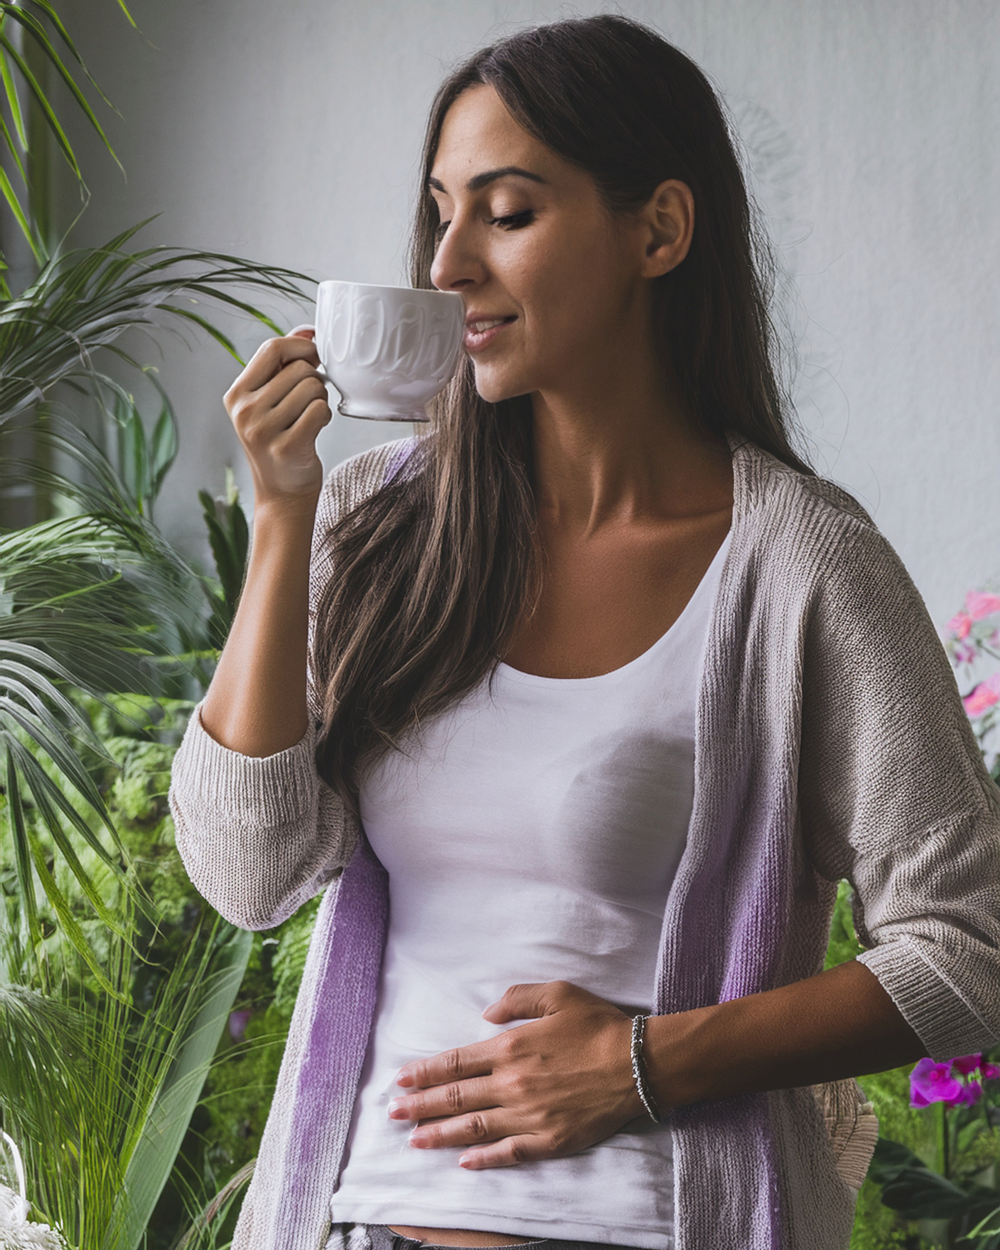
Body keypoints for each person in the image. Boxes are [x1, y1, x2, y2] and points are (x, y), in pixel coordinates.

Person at [167, 15, 1000, 1250]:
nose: (447, 263)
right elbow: (248, 875)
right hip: (355, 1224)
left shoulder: (799, 567)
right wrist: (284, 518)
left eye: (505, 212)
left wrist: (644, 1061)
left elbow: (969, 949)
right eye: (439, 213)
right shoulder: (374, 522)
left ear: (657, 230)